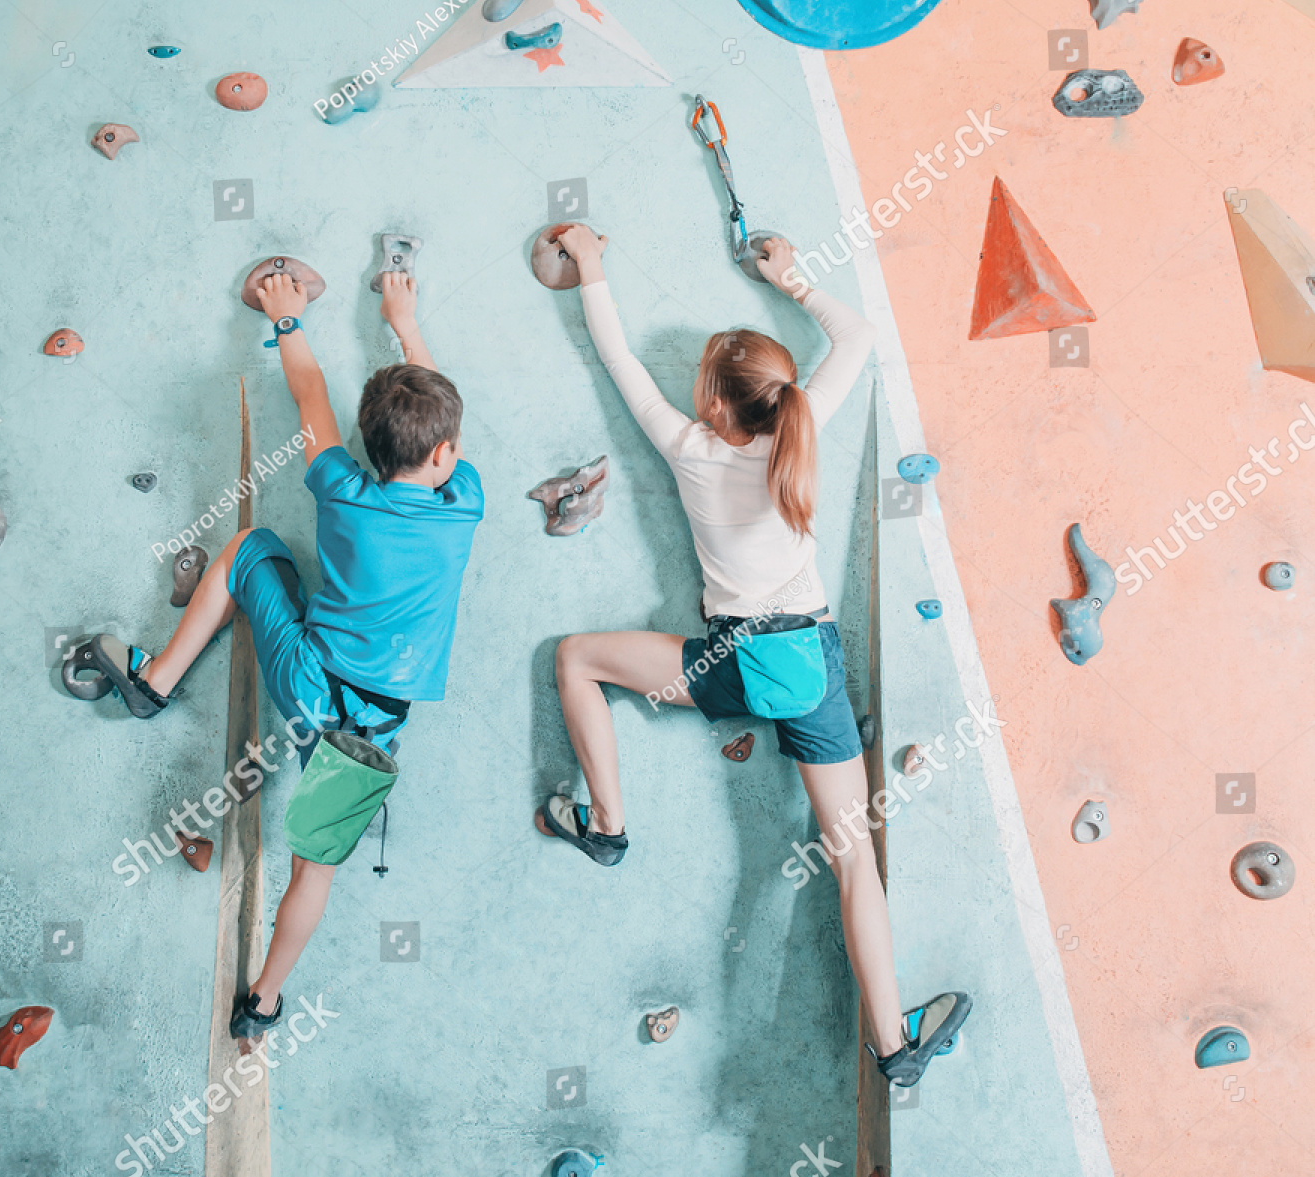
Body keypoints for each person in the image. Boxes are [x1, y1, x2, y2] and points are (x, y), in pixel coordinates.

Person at [539, 226, 968, 1086]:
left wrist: (591, 264)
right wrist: (793, 280)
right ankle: (895, 1044)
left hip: (724, 669)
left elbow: (616, 355)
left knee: (577, 657)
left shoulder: (688, 448)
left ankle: (610, 827)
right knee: (852, 857)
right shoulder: (799, 434)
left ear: (711, 407)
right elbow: (859, 339)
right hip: (807, 671)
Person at [85, 270, 483, 1044]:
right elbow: (441, 414)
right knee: (315, 872)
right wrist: (406, 319)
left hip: (305, 681)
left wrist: (288, 319)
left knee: (251, 547)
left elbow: (310, 400)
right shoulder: (461, 501)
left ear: (369, 450)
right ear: (445, 454)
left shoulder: (340, 486)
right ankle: (262, 1001)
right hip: (370, 732)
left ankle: (155, 681)